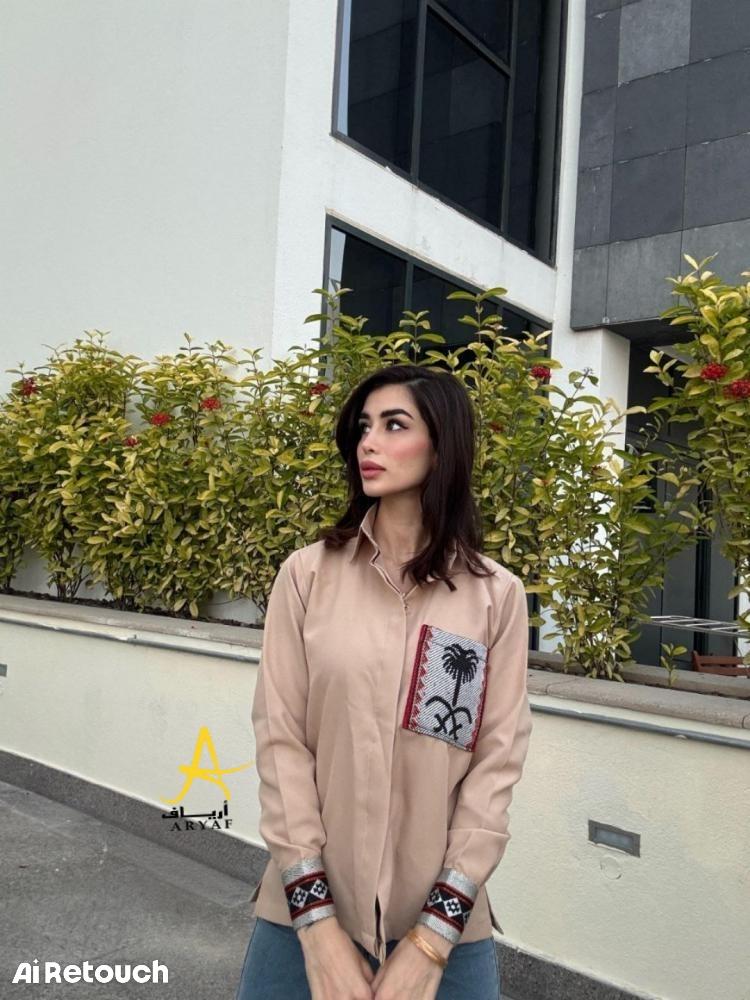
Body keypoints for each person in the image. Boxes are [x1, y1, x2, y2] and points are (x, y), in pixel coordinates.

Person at [235, 363, 533, 999]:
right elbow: (281, 743)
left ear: (442, 445)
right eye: (364, 426)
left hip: (446, 931)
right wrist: (317, 931)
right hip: (302, 920)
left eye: (394, 425)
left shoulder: (495, 597)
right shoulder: (307, 576)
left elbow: (495, 764)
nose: (368, 442)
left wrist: (431, 943)